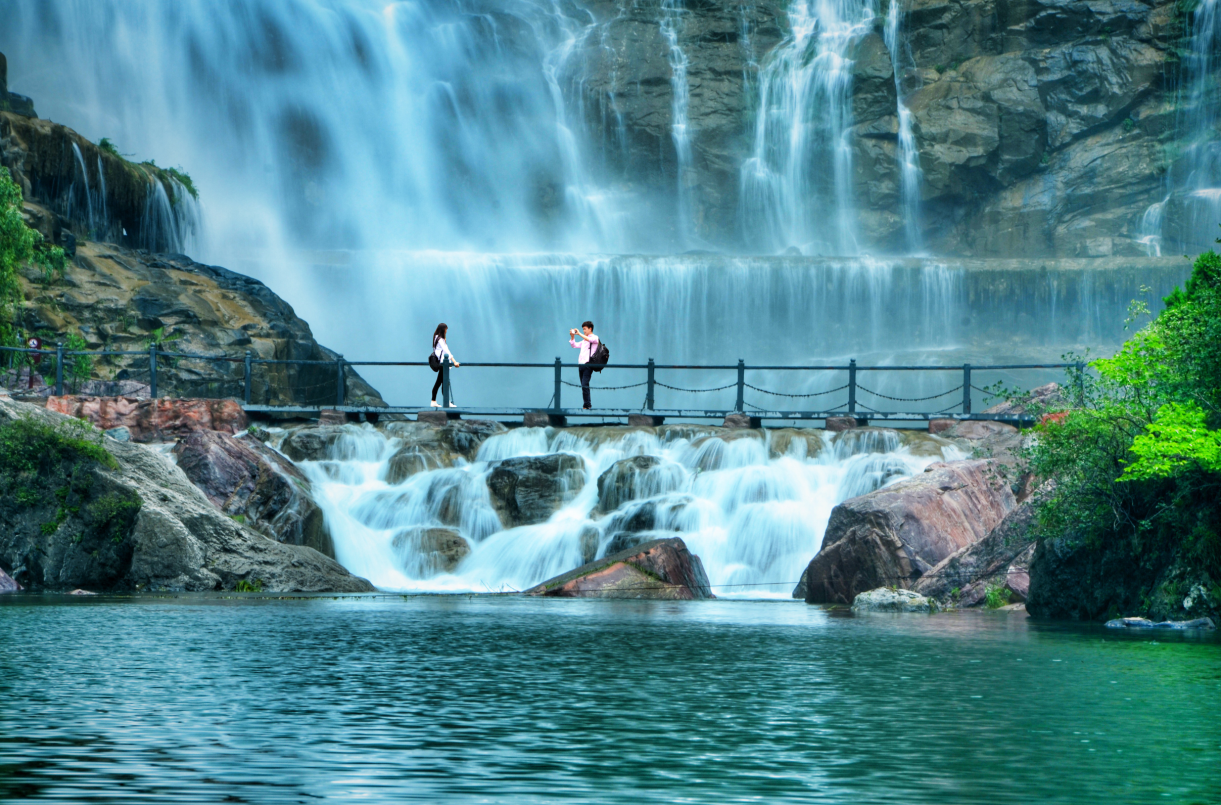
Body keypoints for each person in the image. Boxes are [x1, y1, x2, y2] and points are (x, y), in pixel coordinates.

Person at [569, 320, 600, 410]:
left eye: (585, 329)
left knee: (584, 384)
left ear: (590, 329)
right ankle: (586, 404)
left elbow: (589, 339)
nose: (584, 331)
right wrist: (572, 336)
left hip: (588, 365)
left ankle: (587, 405)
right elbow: (574, 345)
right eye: (583, 329)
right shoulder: (584, 340)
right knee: (583, 385)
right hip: (581, 365)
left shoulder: (595, 338)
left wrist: (579, 334)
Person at [430, 323, 459, 407]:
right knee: (443, 384)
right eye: (446, 329)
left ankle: (434, 401)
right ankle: (446, 403)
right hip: (443, 364)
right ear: (443, 330)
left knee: (440, 383)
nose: (446, 331)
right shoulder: (440, 340)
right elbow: (446, 351)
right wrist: (454, 361)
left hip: (442, 363)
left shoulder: (436, 337)